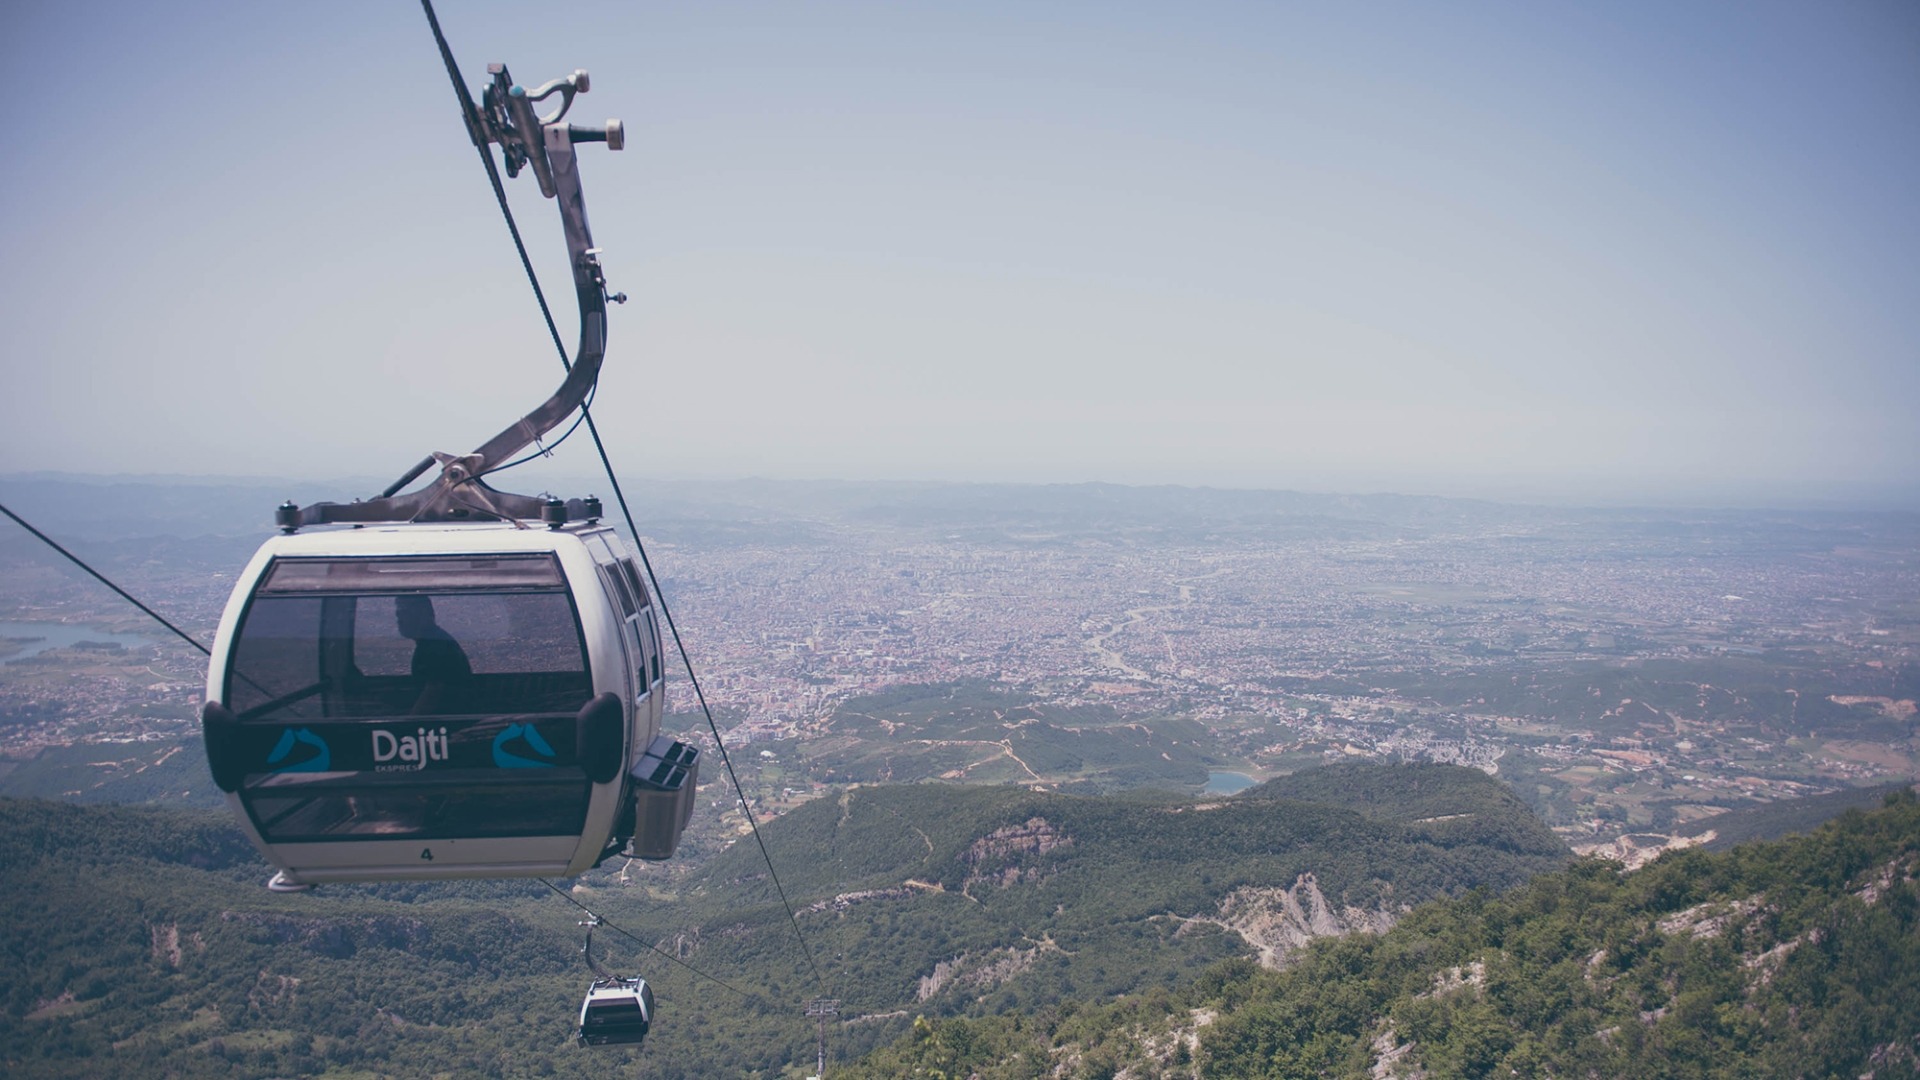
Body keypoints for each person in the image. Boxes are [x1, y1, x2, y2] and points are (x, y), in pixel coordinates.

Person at [395, 595, 471, 715]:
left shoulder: (435, 646)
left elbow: (433, 693)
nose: (399, 619)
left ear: (423, 614)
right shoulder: (429, 642)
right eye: (398, 613)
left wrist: (407, 723)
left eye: (404, 612)